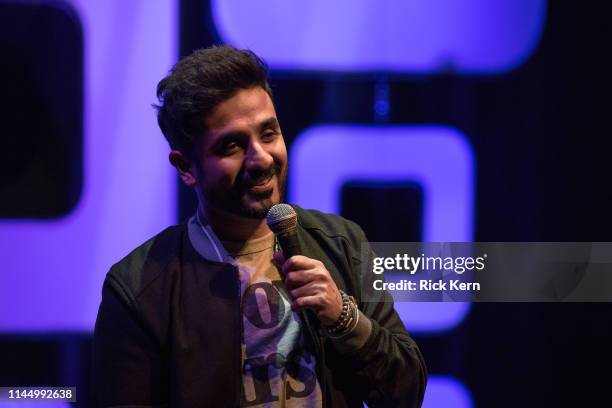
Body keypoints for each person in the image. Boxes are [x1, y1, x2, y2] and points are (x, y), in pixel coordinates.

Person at [93, 45, 427, 408]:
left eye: (268, 134)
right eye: (233, 145)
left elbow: (405, 393)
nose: (261, 158)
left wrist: (343, 317)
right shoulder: (141, 286)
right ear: (186, 167)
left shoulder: (340, 243)